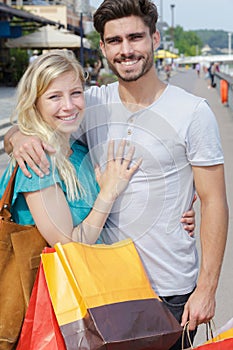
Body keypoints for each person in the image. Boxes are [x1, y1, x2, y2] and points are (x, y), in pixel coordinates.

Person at [4, 1, 228, 349]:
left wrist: (207, 288)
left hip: (168, 289)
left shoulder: (193, 112)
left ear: (154, 38)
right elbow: (42, 117)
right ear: (104, 47)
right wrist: (16, 137)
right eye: (115, 41)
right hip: (103, 289)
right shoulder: (89, 103)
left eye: (135, 37)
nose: (126, 50)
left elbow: (214, 201)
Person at [0, 49, 143, 247]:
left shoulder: (77, 149)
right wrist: (108, 194)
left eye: (75, 93)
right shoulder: (38, 159)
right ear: (35, 104)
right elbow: (69, 245)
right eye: (54, 97)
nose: (68, 106)